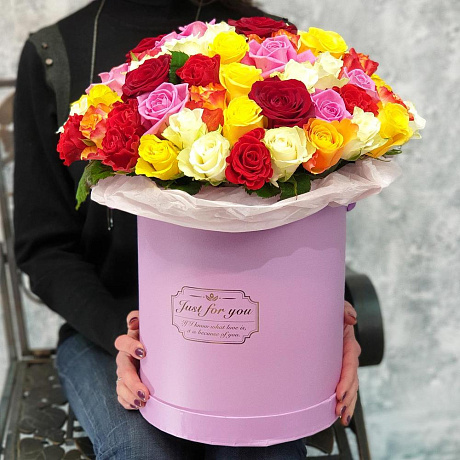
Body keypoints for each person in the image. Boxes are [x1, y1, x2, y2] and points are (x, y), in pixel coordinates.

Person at [13, 0, 361, 458]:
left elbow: (311, 217)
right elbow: (44, 247)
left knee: (261, 450)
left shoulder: (272, 46)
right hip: (109, 328)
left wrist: (335, 324)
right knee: (140, 451)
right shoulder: (55, 53)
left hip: (263, 332)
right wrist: (120, 333)